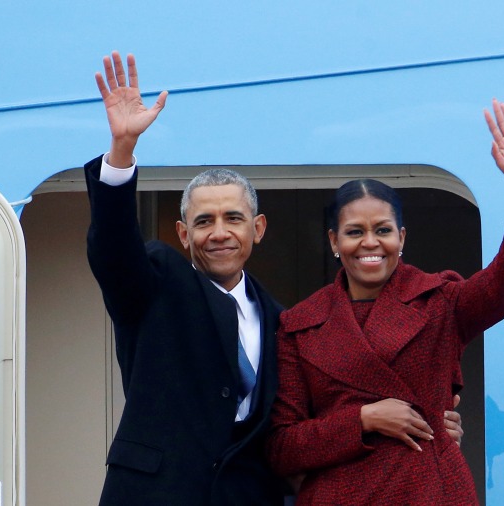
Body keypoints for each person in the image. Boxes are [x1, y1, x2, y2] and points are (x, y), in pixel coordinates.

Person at [84, 51, 464, 505]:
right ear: (184, 234)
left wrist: (433, 423)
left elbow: (313, 422)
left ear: (257, 229)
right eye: (204, 222)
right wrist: (122, 152)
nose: (219, 233)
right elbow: (113, 253)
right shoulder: (155, 282)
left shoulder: (286, 322)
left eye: (233, 219)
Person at [265, 99, 504, 505]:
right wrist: (364, 419)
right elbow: (282, 448)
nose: (369, 242)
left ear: (402, 238)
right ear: (334, 242)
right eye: (354, 231)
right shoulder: (299, 325)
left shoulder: (440, 301)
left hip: (428, 490)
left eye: (382, 229)